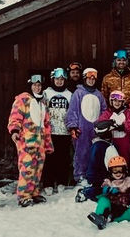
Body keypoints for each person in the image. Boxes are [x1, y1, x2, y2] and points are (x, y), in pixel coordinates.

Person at [8, 73, 54, 207]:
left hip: (40, 142)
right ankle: (24, 196)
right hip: (26, 141)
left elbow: (46, 125)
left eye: (39, 85)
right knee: (27, 168)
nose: (37, 87)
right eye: (35, 85)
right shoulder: (23, 99)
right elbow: (15, 116)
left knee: (38, 168)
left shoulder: (43, 103)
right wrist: (14, 131)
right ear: (30, 85)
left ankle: (34, 193)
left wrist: (48, 144)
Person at [65, 68, 106, 185]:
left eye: (93, 79)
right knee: (81, 153)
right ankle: (80, 175)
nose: (91, 81)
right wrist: (73, 126)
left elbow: (104, 111)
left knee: (95, 152)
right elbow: (72, 111)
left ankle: (93, 174)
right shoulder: (78, 93)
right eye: (89, 78)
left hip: (95, 130)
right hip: (82, 130)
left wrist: (103, 126)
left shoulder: (99, 95)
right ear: (84, 79)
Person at [87, 156, 130, 229]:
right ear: (110, 171)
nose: (118, 173)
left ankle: (110, 219)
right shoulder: (108, 182)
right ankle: (100, 217)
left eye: (120, 170)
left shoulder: (128, 182)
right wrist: (108, 190)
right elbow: (98, 193)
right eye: (115, 170)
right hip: (109, 207)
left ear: (125, 170)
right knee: (103, 199)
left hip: (122, 208)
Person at [43, 67, 73, 189]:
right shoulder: (46, 93)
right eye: (57, 79)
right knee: (49, 158)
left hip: (64, 132)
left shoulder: (69, 94)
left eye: (62, 79)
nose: (59, 81)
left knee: (63, 158)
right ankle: (48, 183)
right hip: (50, 131)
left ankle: (62, 181)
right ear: (53, 79)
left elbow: (72, 112)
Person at [75, 119, 118, 203]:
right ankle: (86, 193)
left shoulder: (96, 144)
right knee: (102, 190)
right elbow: (114, 163)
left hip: (93, 177)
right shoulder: (108, 147)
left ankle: (90, 190)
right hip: (102, 178)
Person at [98, 90, 130, 162]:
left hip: (124, 140)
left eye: (119, 101)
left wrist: (123, 127)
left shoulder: (126, 112)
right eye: (115, 101)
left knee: (125, 157)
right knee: (112, 157)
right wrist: (108, 126)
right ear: (111, 101)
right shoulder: (108, 112)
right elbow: (101, 122)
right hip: (112, 140)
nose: (117, 103)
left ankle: (126, 167)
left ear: (123, 102)